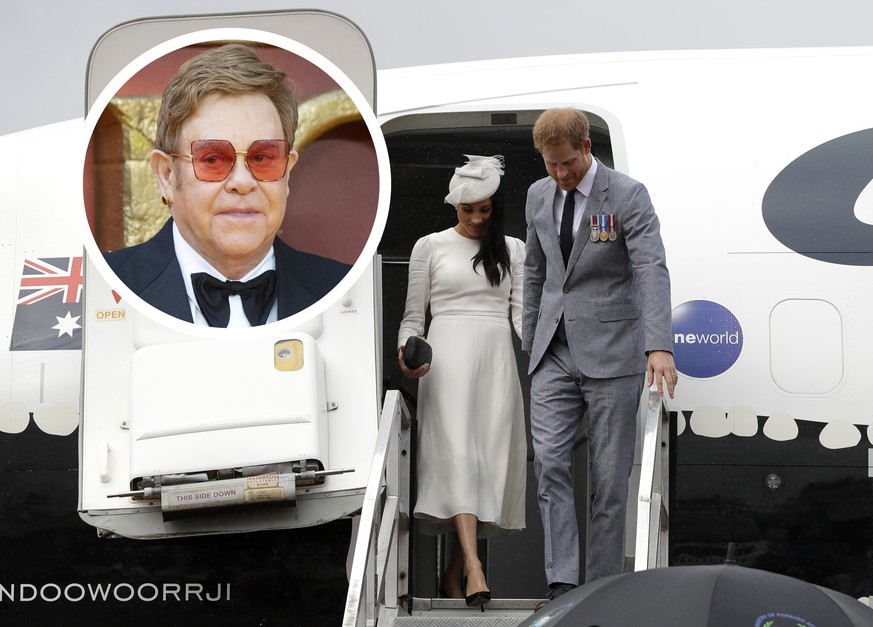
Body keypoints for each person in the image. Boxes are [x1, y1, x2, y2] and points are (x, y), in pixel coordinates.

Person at [522, 108, 677, 606]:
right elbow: (534, 271)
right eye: (551, 165)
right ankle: (563, 582)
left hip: (613, 352)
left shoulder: (628, 195)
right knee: (549, 465)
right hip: (554, 351)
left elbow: (651, 268)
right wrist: (531, 338)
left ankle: (601, 587)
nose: (560, 174)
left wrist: (659, 345)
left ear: (586, 147)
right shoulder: (537, 194)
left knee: (609, 481)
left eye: (567, 163)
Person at [105, 43, 350, 327]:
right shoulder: (101, 286)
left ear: (287, 173)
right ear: (167, 176)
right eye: (213, 159)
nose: (243, 183)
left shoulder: (346, 289)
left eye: (262, 157)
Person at [397, 155, 527, 607]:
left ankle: (452, 576)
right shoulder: (428, 245)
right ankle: (474, 568)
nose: (475, 219)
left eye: (484, 210)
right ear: (454, 205)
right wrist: (406, 355)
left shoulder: (512, 249)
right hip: (445, 358)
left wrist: (556, 357)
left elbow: (523, 316)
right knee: (459, 457)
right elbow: (413, 317)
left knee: (485, 461)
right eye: (467, 209)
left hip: (496, 361)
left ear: (496, 208)